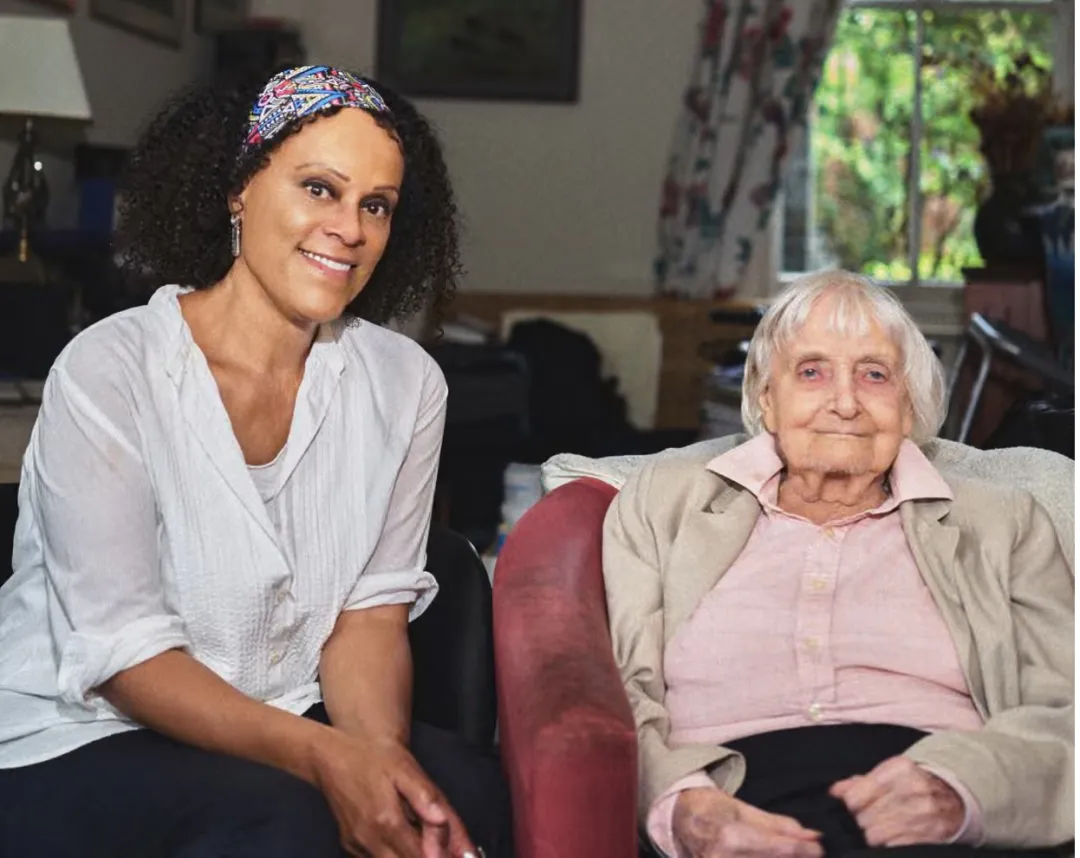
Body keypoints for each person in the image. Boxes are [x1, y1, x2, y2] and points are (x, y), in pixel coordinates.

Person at [0, 65, 511, 858]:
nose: (349, 228)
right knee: (285, 823)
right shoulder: (110, 370)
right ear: (240, 189)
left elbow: (368, 621)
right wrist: (327, 759)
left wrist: (377, 761)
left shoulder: (407, 385)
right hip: (84, 729)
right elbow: (125, 658)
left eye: (375, 205)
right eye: (319, 188)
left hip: (288, 708)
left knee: (468, 797)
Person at [603, 271, 1073, 858]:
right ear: (767, 399)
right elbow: (617, 691)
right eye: (812, 372)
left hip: (933, 813)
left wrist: (965, 790)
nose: (846, 403)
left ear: (908, 408)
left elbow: (1065, 708)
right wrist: (684, 811)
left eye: (874, 375)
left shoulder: (1003, 523)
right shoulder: (662, 504)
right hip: (733, 806)